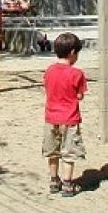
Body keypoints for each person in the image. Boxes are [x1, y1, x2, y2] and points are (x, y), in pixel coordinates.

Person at [42, 32, 87, 197]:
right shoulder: (77, 74)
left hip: (51, 117)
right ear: (73, 52)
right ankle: (68, 184)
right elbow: (80, 95)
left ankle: (54, 180)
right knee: (69, 151)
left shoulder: (49, 71)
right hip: (69, 118)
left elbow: (48, 89)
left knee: (52, 150)